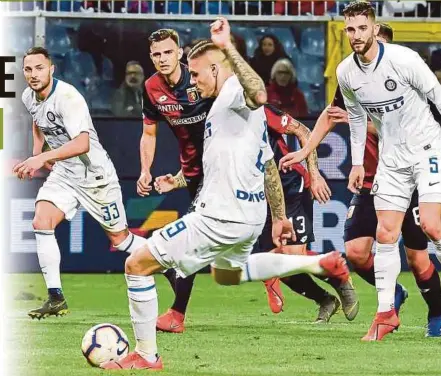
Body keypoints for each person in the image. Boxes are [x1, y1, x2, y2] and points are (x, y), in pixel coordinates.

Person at [101, 18, 349, 370]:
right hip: (247, 218)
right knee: (227, 273)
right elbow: (267, 166)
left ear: (216, 70)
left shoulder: (233, 94)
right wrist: (277, 218)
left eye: (199, 75)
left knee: (136, 265)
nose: (193, 83)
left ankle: (146, 355)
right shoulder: (227, 113)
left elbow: (258, 93)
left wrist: (229, 46)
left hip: (218, 215)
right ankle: (317, 262)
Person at [280, 2, 441, 341]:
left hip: (427, 148)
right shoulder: (346, 73)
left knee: (431, 226)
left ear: (373, 27)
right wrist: (355, 162)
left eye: (361, 28)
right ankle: (385, 315)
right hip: (391, 160)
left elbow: (437, 95)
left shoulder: (404, 60)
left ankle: (436, 310)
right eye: (349, 29)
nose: (355, 35)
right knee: (384, 235)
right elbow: (351, 116)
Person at [155, 104, 359, 328]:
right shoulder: (212, 123)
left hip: (288, 185)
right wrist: (176, 181)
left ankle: (339, 278)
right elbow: (209, 164)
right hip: (257, 197)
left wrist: (315, 173)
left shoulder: (255, 109)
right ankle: (325, 299)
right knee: (276, 263)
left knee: (289, 254)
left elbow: (303, 131)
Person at [14, 47, 153, 320]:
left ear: (52, 68)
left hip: (95, 176)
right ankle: (56, 297)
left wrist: (42, 157)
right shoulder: (28, 96)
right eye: (28, 69)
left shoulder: (68, 98)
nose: (33, 74)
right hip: (65, 173)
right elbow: (37, 120)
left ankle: (166, 258)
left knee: (121, 240)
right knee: (41, 221)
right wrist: (36, 152)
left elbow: (82, 143)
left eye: (39, 68)